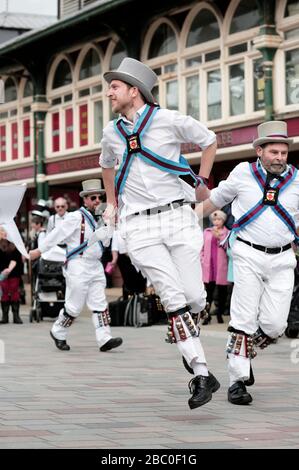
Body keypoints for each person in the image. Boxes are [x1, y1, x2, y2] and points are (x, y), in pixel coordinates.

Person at [100, 57, 219, 409]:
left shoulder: (167, 120)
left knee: (195, 298)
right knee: (171, 295)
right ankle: (200, 372)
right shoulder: (111, 132)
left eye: (115, 86)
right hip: (139, 224)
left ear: (134, 91)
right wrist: (111, 203)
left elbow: (209, 140)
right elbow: (106, 166)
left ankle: (187, 336)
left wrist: (203, 182)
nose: (109, 91)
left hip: (178, 217)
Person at [198, 120, 298, 405]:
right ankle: (237, 381)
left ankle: (242, 353)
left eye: (284, 153)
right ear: (259, 151)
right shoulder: (242, 173)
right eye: (274, 152)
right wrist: (181, 221)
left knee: (276, 324)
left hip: (282, 258)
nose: (280, 157)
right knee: (243, 318)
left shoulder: (297, 180)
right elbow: (214, 201)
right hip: (247, 253)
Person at [29, 179, 123, 353]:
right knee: (74, 305)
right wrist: (39, 251)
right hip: (78, 264)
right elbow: (56, 235)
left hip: (95, 265)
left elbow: (107, 241)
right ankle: (58, 331)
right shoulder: (75, 217)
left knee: (100, 303)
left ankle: (104, 338)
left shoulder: (101, 219)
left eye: (99, 197)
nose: (97, 201)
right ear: (85, 200)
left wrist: (109, 224)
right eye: (93, 198)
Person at [201, 210, 230, 325]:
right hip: (209, 266)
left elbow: (228, 247)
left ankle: (219, 314)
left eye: (219, 220)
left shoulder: (227, 233)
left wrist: (219, 237)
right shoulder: (207, 232)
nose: (217, 222)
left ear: (223, 221)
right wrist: (202, 259)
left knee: (222, 292)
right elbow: (201, 247)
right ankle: (206, 316)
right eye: (215, 220)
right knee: (208, 292)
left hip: (220, 266)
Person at [0, 239, 24, 324]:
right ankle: (4, 316)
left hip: (14, 272)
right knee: (4, 293)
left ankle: (16, 316)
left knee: (14, 293)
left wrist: (9, 269)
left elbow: (16, 259)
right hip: (2, 272)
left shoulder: (15, 242)